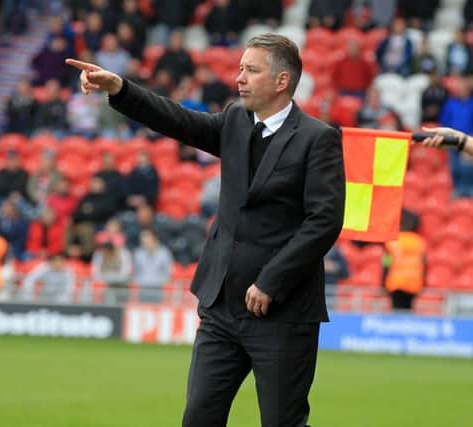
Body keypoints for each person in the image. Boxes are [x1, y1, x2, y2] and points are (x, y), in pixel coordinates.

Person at [66, 32, 346, 427]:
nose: (239, 78)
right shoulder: (234, 118)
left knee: (284, 422)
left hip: (282, 314)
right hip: (220, 308)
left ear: (282, 81)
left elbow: (325, 221)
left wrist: (271, 281)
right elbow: (178, 119)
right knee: (198, 418)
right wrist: (121, 89)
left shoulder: (318, 139)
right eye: (239, 69)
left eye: (251, 70)